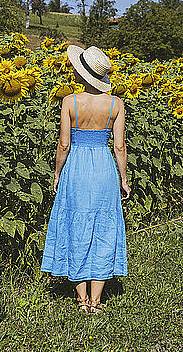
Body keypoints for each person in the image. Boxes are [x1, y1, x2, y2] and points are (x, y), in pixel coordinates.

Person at [40, 45, 131, 315]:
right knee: (103, 228)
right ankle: (96, 301)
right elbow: (120, 146)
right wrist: (123, 179)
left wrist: (57, 173)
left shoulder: (70, 102)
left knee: (75, 226)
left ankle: (80, 300)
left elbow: (64, 145)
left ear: (82, 74)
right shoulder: (116, 104)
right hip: (103, 168)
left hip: (77, 168)